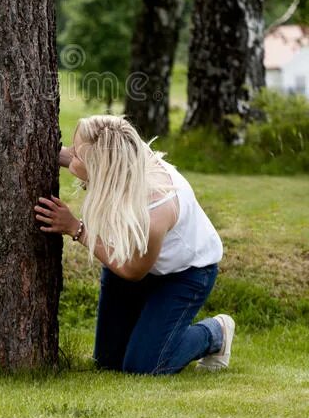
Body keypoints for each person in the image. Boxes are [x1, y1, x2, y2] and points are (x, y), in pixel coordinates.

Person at [36, 115, 234, 376]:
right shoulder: (121, 159)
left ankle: (215, 333)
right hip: (130, 256)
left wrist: (76, 228)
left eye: (77, 154)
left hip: (185, 274)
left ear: (101, 169)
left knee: (145, 366)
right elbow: (73, 158)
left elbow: (133, 272)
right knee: (108, 362)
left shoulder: (155, 208)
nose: (69, 156)